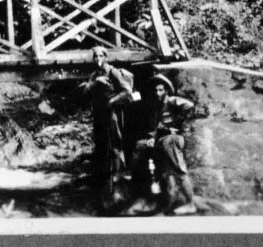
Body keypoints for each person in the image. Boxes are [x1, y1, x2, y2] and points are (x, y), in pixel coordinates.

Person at [77, 47, 134, 210]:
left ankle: (118, 186)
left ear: (106, 57)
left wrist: (112, 101)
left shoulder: (112, 72)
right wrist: (95, 83)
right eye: (95, 56)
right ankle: (104, 188)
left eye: (101, 55)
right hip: (99, 115)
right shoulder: (94, 75)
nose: (98, 58)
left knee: (115, 146)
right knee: (102, 147)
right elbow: (85, 92)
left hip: (112, 114)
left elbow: (126, 91)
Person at [134, 73, 197, 215]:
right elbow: (160, 127)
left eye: (161, 90)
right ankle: (157, 199)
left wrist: (179, 123)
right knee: (144, 150)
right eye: (156, 90)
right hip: (163, 140)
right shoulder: (159, 106)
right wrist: (153, 138)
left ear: (166, 90)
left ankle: (190, 203)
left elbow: (189, 105)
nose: (158, 93)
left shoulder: (172, 100)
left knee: (179, 171)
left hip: (172, 139)